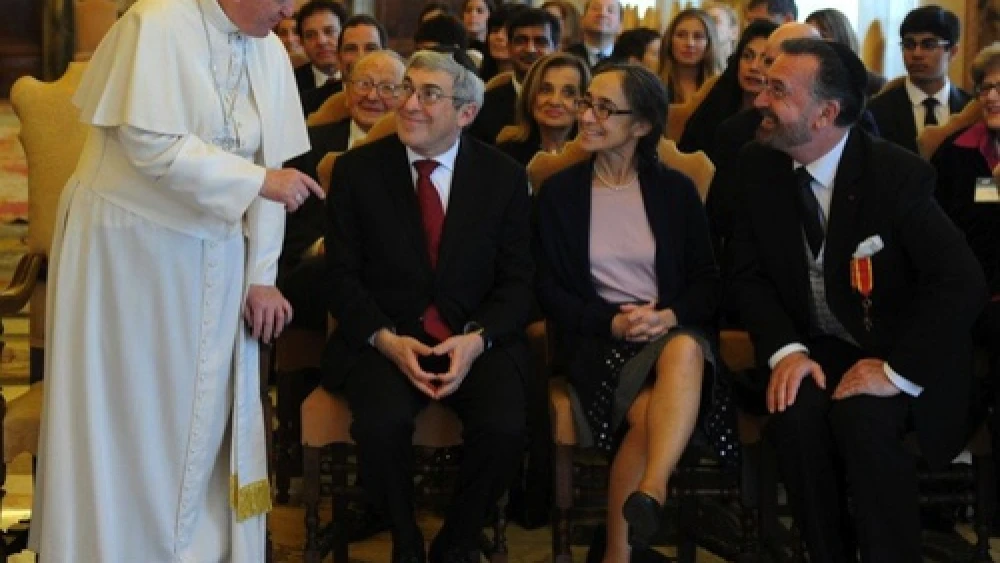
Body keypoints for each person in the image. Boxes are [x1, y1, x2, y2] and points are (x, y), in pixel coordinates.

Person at [28, 0, 325, 560]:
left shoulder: (268, 49)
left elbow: (276, 171)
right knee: (131, 417)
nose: (290, 11)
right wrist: (258, 180)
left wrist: (261, 275)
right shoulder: (156, 23)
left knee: (207, 417)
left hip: (215, 253)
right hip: (129, 255)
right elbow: (151, 143)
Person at [728, 38, 986, 562]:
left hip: (904, 350)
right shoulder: (757, 166)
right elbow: (746, 276)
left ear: (826, 113)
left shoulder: (895, 175)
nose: (759, 101)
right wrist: (786, 351)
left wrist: (895, 372)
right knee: (794, 416)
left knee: (863, 420)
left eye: (778, 91)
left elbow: (961, 283)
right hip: (819, 346)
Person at [324, 50, 533, 563]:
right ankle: (404, 538)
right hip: (387, 337)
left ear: (465, 113)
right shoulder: (357, 171)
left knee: (506, 429)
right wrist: (386, 340)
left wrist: (477, 339)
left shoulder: (502, 177)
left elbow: (521, 282)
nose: (408, 104)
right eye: (408, 89)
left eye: (429, 94)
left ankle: (457, 540)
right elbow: (339, 276)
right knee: (380, 424)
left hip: (472, 338)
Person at [536, 63, 734, 563]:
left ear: (641, 125)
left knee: (686, 345)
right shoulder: (560, 195)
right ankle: (647, 500)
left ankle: (622, 543)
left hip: (666, 335)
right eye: (587, 102)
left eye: (604, 108)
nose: (587, 116)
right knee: (648, 412)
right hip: (595, 341)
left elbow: (708, 281)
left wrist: (666, 317)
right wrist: (611, 322)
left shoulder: (675, 192)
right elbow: (547, 289)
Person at [929, 41, 1000, 474]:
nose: (990, 96)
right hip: (980, 291)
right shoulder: (956, 155)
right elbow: (950, 237)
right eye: (984, 88)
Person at [867, 5, 972, 153]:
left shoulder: (970, 110)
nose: (916, 54)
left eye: (928, 45)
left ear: (953, 52)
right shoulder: (876, 111)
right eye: (909, 45)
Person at [678, 19, 778, 154]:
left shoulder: (776, 120)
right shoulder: (719, 98)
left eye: (766, 61)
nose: (754, 67)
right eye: (747, 56)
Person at [469, 8, 560, 143]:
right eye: (521, 40)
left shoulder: (568, 105)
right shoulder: (485, 106)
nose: (530, 49)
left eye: (540, 41)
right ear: (509, 47)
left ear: (556, 50)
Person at [497, 52, 589, 166]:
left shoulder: (593, 158)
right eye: (545, 90)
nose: (554, 101)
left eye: (568, 93)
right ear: (530, 95)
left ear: (584, 103)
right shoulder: (505, 155)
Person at [300, 14, 389, 117]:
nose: (360, 58)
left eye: (370, 48)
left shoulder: (397, 103)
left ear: (385, 56)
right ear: (338, 56)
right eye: (351, 49)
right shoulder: (306, 104)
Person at [805, 8, 886, 97]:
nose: (815, 44)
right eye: (809, 38)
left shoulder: (877, 87)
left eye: (822, 36)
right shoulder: (804, 82)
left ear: (842, 36)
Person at [658, 9, 722, 103]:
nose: (689, 43)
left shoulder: (722, 87)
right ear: (669, 40)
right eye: (681, 35)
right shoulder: (651, 85)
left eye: (698, 36)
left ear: (710, 43)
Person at [294, 0, 348, 96]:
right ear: (302, 43)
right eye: (310, 35)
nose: (321, 41)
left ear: (346, 35)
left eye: (329, 31)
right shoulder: (291, 83)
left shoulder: (361, 78)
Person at [566, 0, 622, 69]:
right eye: (596, 8)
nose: (602, 14)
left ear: (620, 26)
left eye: (610, 10)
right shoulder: (566, 57)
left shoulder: (627, 61)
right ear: (582, 20)